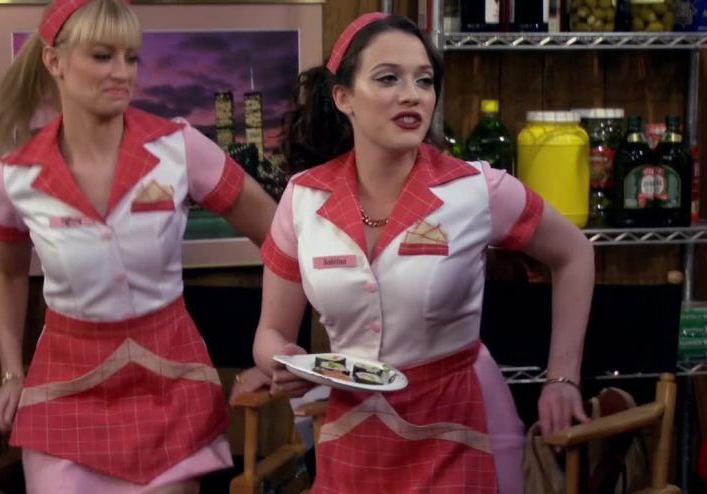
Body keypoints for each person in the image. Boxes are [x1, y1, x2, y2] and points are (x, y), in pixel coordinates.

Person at [251, 12, 595, 494]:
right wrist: (285, 361)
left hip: (463, 424)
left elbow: (575, 253)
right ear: (343, 98)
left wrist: (562, 378)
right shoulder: (302, 199)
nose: (412, 94)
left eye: (424, 80)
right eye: (388, 78)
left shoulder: (476, 189)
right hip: (355, 431)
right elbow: (270, 333)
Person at [0, 1, 276, 492]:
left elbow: (279, 236)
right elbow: (6, 272)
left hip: (170, 388)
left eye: (132, 57)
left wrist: (272, 349)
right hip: (64, 391)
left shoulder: (179, 147)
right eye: (103, 56)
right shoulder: (15, 177)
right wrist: (12, 373)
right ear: (54, 61)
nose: (123, 73)